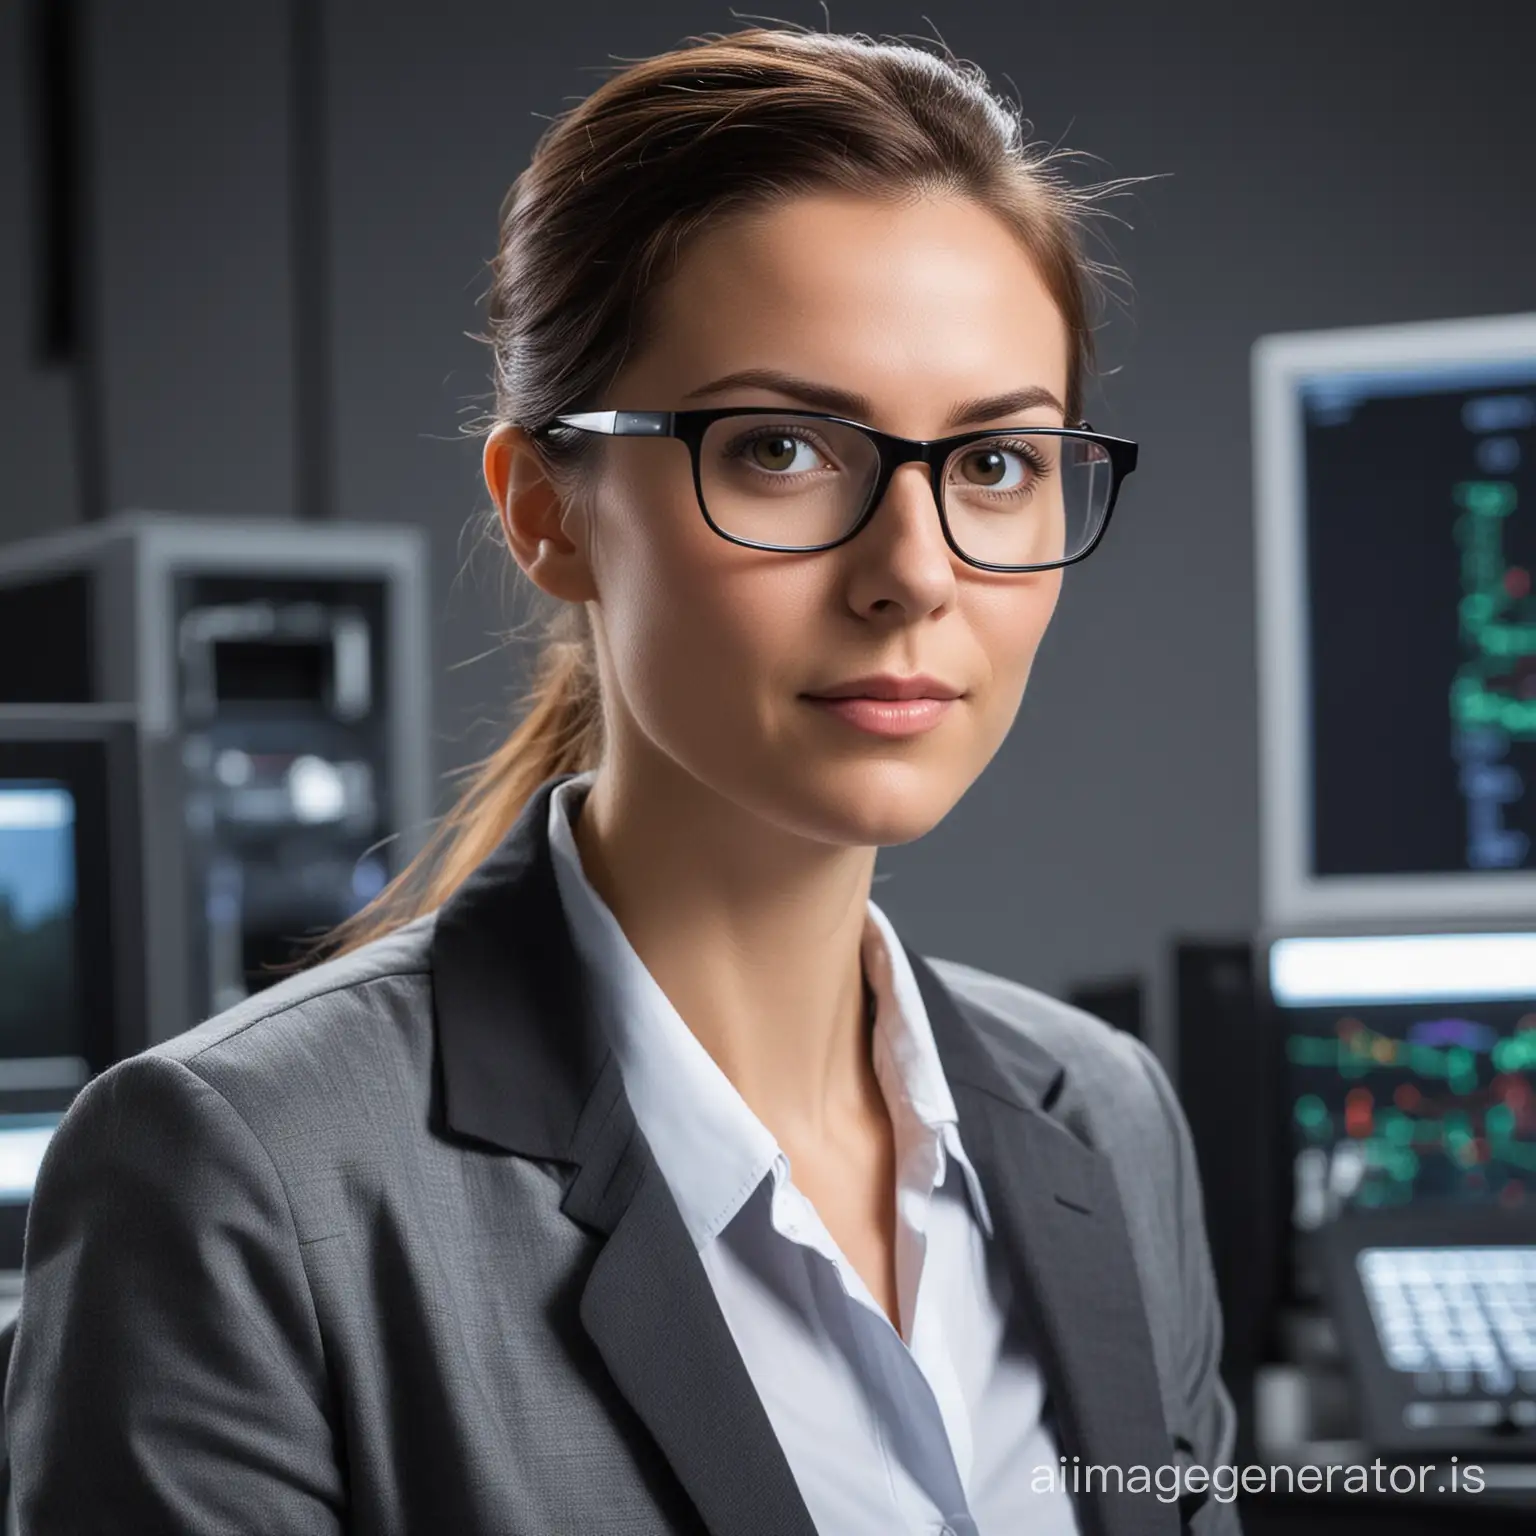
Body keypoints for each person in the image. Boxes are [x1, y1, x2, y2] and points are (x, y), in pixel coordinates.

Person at [4, 25, 1239, 1536]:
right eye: (782, 448)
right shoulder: (244, 1181)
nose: (915, 575)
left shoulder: (1102, 1120)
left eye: (994, 464)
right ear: (548, 512)